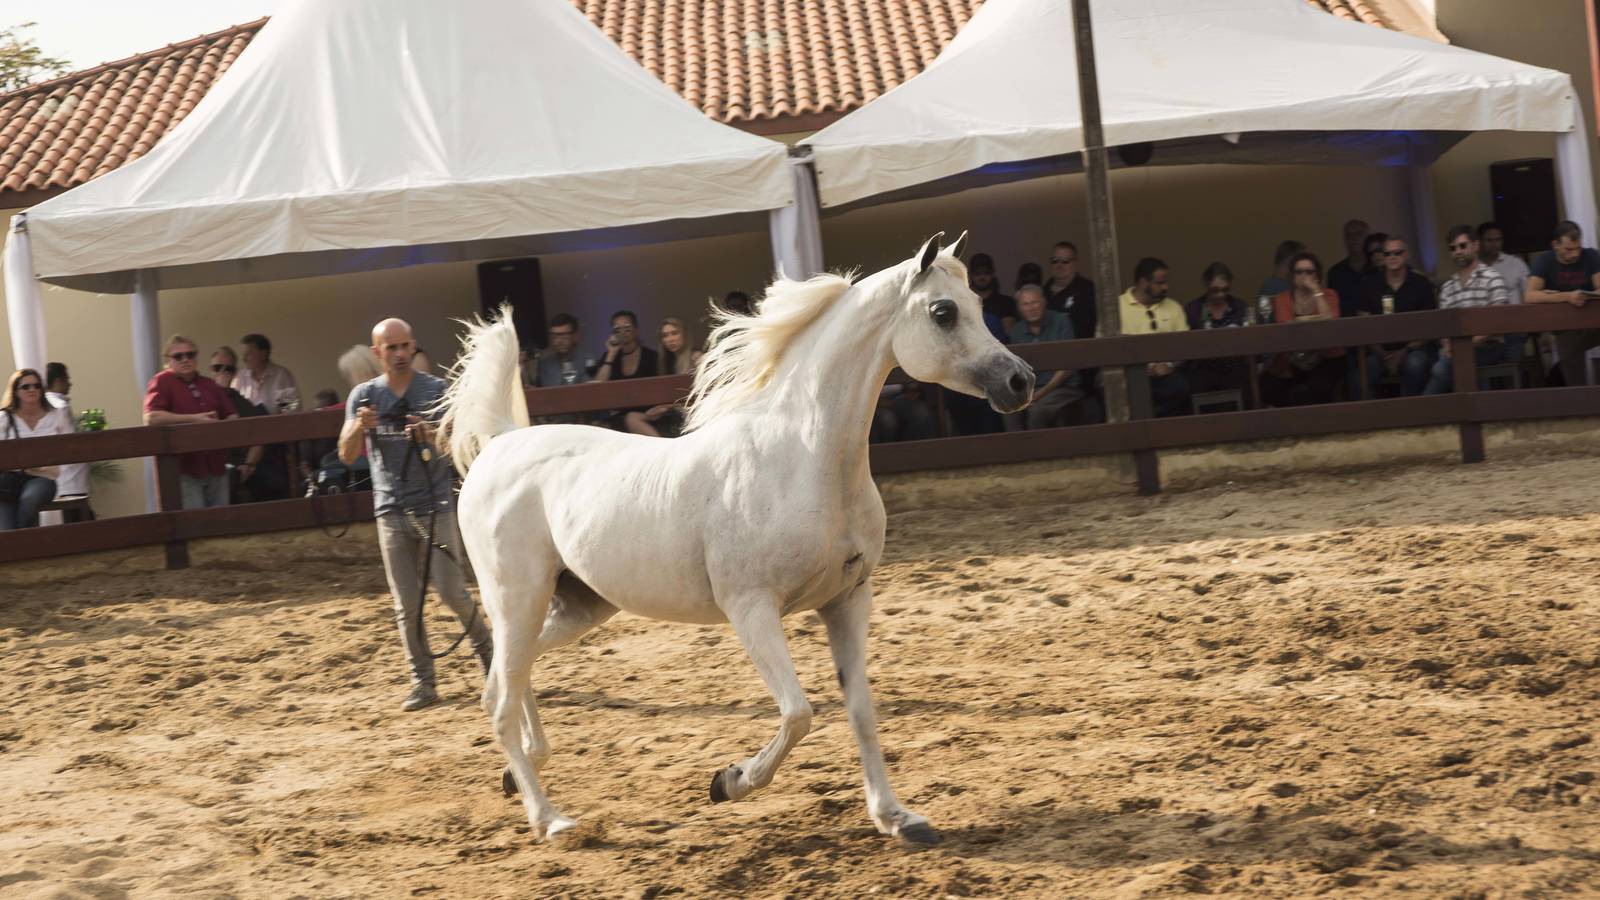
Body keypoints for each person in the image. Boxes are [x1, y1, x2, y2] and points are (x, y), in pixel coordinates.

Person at [339, 317, 492, 711]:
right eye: (391, 348)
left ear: (413, 346)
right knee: (406, 603)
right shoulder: (363, 397)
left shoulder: (435, 389)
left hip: (435, 504)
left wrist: (431, 434)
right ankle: (422, 682)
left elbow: (459, 444)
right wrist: (359, 427)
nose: (400, 354)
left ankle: (487, 653)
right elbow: (346, 453)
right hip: (390, 509)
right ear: (377, 353)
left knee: (452, 591)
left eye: (405, 345)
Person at [143, 334, 236, 509]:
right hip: (185, 468)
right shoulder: (162, 381)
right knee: (195, 525)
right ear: (168, 360)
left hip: (216, 465)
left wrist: (224, 428)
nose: (185, 360)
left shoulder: (208, 384)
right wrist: (194, 419)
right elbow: (152, 417)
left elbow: (232, 414)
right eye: (178, 356)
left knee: (221, 524)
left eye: (190, 355)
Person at [1424, 225, 1513, 394]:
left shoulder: (1492, 278)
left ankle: (1422, 414)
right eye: (1453, 248)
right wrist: (1448, 345)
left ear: (1476, 246)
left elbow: (1498, 321)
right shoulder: (1448, 286)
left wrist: (1467, 344)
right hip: (1456, 347)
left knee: (1442, 369)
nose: (1458, 251)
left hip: (1489, 345)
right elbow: (1443, 325)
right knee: (1440, 363)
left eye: (1463, 246)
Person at [1260, 252, 1347, 407]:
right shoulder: (1282, 298)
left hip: (1326, 356)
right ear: (1292, 276)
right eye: (1299, 272)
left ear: (1317, 274)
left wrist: (1316, 291)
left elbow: (1330, 321)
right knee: (1268, 386)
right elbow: (1285, 325)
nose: (1304, 275)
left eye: (1309, 271)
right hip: (1293, 357)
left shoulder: (1329, 295)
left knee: (1315, 388)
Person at [1356, 235, 1436, 397]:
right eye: (1387, 254)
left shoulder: (1421, 283)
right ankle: (1372, 418)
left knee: (1416, 364)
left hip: (1413, 349)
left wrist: (1404, 352)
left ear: (1406, 255)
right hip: (1379, 351)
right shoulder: (1369, 284)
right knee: (1360, 373)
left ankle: (1411, 414)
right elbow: (1362, 325)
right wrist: (1382, 354)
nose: (1392, 257)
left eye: (1397, 253)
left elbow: (1430, 326)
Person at [1525, 220, 1600, 386]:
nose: (1575, 254)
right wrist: (1567, 297)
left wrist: (1585, 296)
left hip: (1593, 324)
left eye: (1577, 248)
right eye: (1568, 249)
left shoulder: (1591, 255)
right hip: (1565, 330)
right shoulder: (1544, 260)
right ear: (1555, 245)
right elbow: (1530, 295)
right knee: (1574, 378)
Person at [209, 346, 286, 500]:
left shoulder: (243, 403)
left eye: (228, 369)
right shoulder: (202, 398)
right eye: (217, 368)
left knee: (276, 484)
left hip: (240, 465)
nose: (222, 373)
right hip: (211, 465)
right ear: (211, 370)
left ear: (235, 373)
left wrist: (249, 465)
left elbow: (258, 441)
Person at [1118, 257, 1191, 417]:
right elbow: (1107, 348)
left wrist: (1169, 365)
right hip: (1130, 375)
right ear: (1144, 282)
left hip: (1164, 375)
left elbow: (1185, 347)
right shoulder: (1117, 308)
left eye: (1166, 282)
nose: (1166, 286)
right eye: (1160, 282)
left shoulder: (1174, 307)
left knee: (1181, 387)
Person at [1003, 284, 1081, 430]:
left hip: (1061, 388)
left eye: (1035, 302)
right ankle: (1017, 451)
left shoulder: (1062, 321)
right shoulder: (1016, 331)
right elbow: (1017, 371)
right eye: (1025, 304)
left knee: (1037, 412)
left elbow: (1067, 368)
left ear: (1044, 302)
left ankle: (1039, 451)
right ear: (1019, 309)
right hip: (1032, 390)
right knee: (1009, 411)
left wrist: (1039, 394)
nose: (1031, 308)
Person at [0, 369, 67, 529]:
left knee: (30, 499)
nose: (32, 390)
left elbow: (68, 447)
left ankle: (25, 540)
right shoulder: (4, 418)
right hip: (9, 483)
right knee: (6, 532)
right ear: (15, 391)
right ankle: (23, 544)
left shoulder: (55, 415)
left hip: (43, 479)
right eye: (26, 387)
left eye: (37, 386)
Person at [1183, 262, 1252, 399]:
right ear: (1206, 285)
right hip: (1204, 368)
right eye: (1215, 290)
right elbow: (1187, 344)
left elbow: (1248, 338)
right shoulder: (1193, 309)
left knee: (1247, 382)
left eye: (1225, 290)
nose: (1220, 294)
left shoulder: (1239, 307)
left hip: (1234, 366)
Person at [625, 317, 702, 438]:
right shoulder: (666, 362)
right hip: (671, 411)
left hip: (691, 412)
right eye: (665, 336)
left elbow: (700, 394)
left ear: (684, 335)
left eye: (674, 333)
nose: (670, 339)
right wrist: (661, 408)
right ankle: (661, 445)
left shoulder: (696, 356)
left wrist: (666, 407)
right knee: (632, 418)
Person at [42, 361, 90, 504]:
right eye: (67, 379)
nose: (70, 384)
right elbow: (70, 440)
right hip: (72, 479)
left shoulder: (45, 404)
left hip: (61, 480)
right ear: (58, 381)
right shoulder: (60, 406)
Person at [235, 333, 302, 413]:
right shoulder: (240, 377)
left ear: (264, 353)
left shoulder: (281, 376)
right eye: (243, 354)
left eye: (249, 354)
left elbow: (291, 411)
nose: (244, 359)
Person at [1044, 241, 1097, 342]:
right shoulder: (1042, 293)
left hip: (1082, 351)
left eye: (1065, 261)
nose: (1059, 265)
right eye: (1055, 260)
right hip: (1049, 351)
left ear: (1076, 264)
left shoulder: (1088, 289)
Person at [530, 313, 593, 388]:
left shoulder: (587, 360)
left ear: (575, 335)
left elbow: (591, 390)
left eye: (563, 335)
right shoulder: (544, 363)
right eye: (555, 335)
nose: (559, 341)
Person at [1326, 219, 1372, 318]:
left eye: (1359, 234)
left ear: (1368, 238)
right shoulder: (1335, 273)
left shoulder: (1377, 269)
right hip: (1344, 328)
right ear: (1345, 240)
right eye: (1349, 235)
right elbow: (1332, 308)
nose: (1354, 238)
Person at [968, 253, 1017, 332]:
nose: (982, 277)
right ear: (970, 275)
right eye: (977, 273)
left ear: (992, 274)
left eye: (986, 272)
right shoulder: (963, 304)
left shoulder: (1006, 303)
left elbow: (1009, 337)